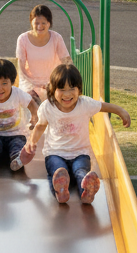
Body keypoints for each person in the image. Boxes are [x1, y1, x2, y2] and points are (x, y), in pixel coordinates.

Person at [22, 63, 131, 205]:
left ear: (79, 89)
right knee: (56, 169)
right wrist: (32, 141)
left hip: (80, 152)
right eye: (61, 89)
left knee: (81, 171)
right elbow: (40, 126)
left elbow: (103, 106)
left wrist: (121, 111)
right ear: (53, 90)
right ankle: (61, 188)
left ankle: (87, 191)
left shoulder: (84, 104)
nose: (67, 94)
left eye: (71, 89)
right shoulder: (48, 107)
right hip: (55, 152)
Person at [15, 4, 70, 103]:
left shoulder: (56, 38)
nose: (40, 26)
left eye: (43, 23)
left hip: (52, 81)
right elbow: (21, 67)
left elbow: (66, 61)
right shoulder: (22, 39)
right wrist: (33, 85)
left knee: (56, 100)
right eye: (36, 23)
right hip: (29, 82)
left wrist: (56, 81)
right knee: (29, 99)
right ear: (31, 23)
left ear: (49, 23)